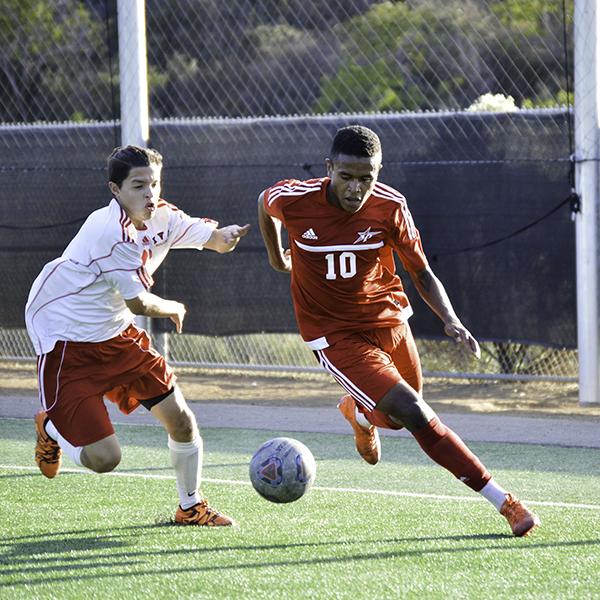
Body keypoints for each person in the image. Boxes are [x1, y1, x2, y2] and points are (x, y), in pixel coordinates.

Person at [257, 124, 540, 537]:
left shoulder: (390, 206)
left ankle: (357, 413)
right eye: (346, 177)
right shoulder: (296, 199)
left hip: (390, 322)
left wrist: (451, 319)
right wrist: (275, 257)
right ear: (328, 168)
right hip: (335, 336)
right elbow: (264, 204)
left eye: (366, 178)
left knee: (398, 418)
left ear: (379, 172)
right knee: (415, 412)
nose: (356, 188)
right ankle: (505, 502)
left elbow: (421, 272)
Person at [26, 145, 250, 527]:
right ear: (116, 190)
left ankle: (190, 506)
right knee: (104, 459)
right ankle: (49, 425)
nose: (150, 194)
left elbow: (208, 237)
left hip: (114, 332)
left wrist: (224, 236)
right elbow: (140, 305)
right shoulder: (109, 231)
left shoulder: (161, 215)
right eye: (138, 185)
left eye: (155, 184)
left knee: (181, 420)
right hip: (66, 338)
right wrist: (174, 307)